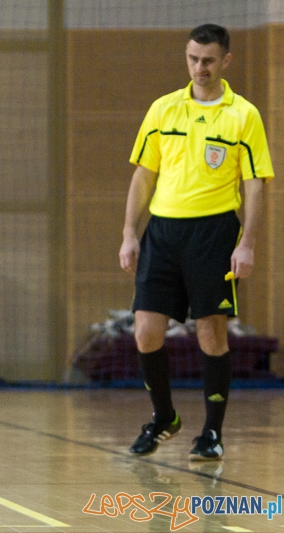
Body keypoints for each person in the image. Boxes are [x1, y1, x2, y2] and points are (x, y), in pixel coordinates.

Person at [118, 24, 274, 461]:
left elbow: (256, 184)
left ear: (225, 61)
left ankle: (211, 433)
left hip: (214, 233)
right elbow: (143, 174)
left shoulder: (243, 115)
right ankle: (164, 417)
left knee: (211, 334)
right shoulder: (163, 110)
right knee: (146, 332)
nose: (198, 67)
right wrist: (130, 232)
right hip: (163, 234)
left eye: (207, 60)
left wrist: (248, 244)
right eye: (192, 58)